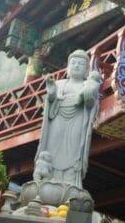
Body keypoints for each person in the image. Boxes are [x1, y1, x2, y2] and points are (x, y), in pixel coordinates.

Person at [37, 50, 101, 189]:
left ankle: (70, 182)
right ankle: (49, 178)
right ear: (67, 67)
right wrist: (52, 92)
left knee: (74, 149)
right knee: (51, 148)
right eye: (73, 63)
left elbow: (90, 104)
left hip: (77, 119)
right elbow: (51, 103)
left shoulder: (87, 84)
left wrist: (86, 95)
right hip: (58, 119)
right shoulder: (60, 84)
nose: (76, 66)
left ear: (86, 70)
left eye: (81, 64)